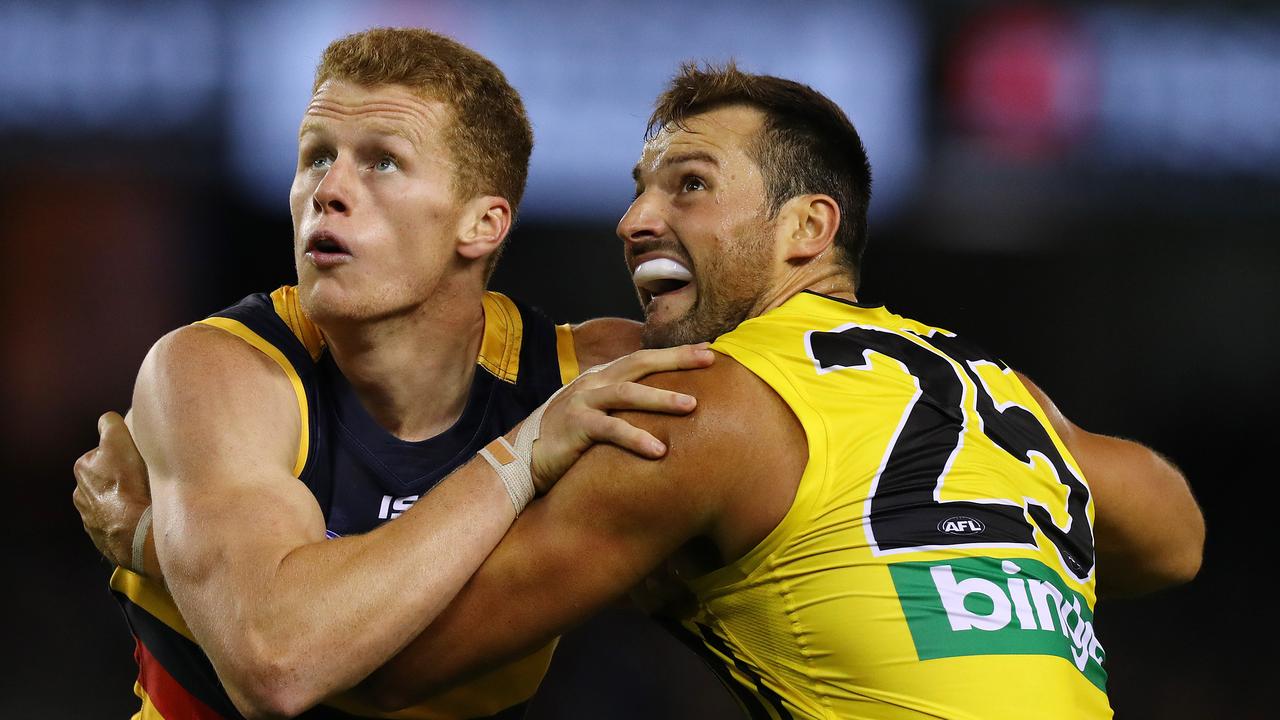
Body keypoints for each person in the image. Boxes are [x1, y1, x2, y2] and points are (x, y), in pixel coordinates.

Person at [78, 61, 1204, 718]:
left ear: (807, 229)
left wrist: (164, 566)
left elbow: (353, 674)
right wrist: (990, 553)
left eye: (690, 184)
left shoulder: (691, 405)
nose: (634, 220)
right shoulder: (982, 389)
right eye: (638, 187)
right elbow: (1174, 533)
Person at [72, 27, 714, 720]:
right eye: (316, 156)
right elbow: (278, 664)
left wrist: (166, 551)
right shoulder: (217, 370)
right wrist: (518, 462)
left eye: (382, 163)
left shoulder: (590, 378)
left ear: (483, 224)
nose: (330, 190)